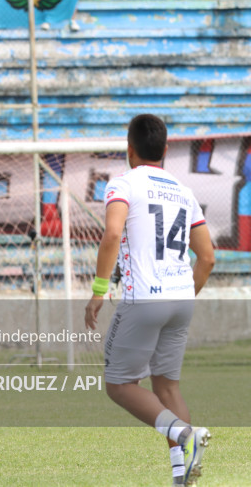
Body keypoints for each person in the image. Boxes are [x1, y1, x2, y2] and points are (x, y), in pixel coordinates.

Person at [84, 114, 216, 486]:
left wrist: (98, 291)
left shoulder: (124, 183)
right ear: (166, 149)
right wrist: (183, 297)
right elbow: (207, 257)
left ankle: (184, 434)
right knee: (167, 387)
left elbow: (112, 234)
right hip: (181, 299)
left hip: (144, 298)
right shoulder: (183, 191)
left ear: (129, 148)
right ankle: (183, 474)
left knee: (120, 385)